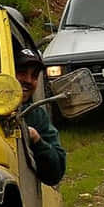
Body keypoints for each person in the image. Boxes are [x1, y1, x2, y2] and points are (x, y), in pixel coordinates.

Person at [15, 48, 66, 186]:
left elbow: (56, 172)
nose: (29, 80)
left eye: (34, 76)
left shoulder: (35, 115)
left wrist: (36, 140)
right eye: (22, 72)